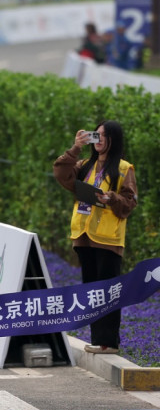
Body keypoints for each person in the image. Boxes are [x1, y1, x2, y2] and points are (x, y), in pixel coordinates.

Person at [52, 121, 138, 354]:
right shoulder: (86, 164)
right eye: (95, 135)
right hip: (84, 236)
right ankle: (98, 340)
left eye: (103, 136)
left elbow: (130, 202)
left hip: (108, 239)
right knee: (92, 292)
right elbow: (61, 173)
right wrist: (75, 148)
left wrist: (111, 198)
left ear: (114, 140)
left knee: (108, 291)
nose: (98, 140)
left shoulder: (123, 168)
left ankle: (109, 342)